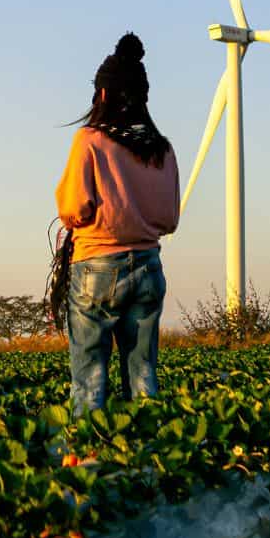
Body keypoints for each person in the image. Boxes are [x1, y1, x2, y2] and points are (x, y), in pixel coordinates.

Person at [56, 32, 179, 416]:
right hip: (148, 267)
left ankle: (92, 461)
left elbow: (74, 208)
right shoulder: (162, 147)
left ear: (103, 95)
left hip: (98, 269)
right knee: (143, 374)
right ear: (143, 98)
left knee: (90, 378)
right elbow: (169, 219)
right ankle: (145, 457)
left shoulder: (90, 140)